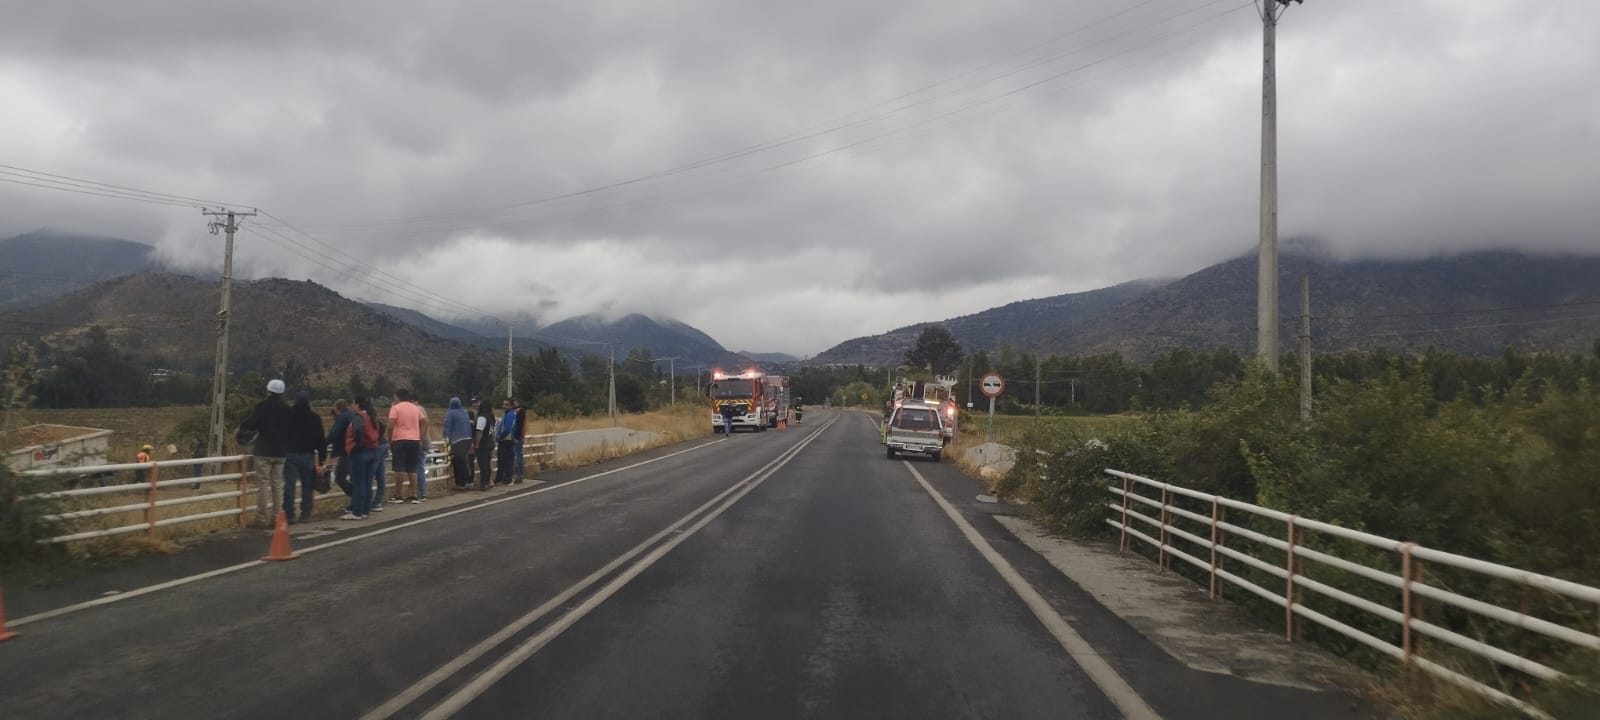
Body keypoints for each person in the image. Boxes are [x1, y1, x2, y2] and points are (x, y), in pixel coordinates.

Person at [238, 379, 293, 528]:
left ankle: (261, 518)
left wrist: (242, 426)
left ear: (268, 391)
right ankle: (278, 518)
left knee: (263, 484)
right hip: (281, 452)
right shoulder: (287, 409)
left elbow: (251, 423)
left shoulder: (262, 406)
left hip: (263, 450)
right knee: (277, 485)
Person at [283, 391, 326, 524]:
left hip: (290, 454)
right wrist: (322, 459)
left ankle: (289, 513)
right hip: (308, 455)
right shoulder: (315, 418)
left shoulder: (288, 415)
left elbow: (281, 434)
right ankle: (306, 513)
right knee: (307, 485)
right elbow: (320, 440)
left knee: (289, 484)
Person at [341, 396, 382, 520]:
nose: (352, 406)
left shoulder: (358, 417)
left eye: (353, 403)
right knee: (368, 483)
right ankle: (365, 510)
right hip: (373, 451)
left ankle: (357, 511)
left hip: (360, 453)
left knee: (359, 483)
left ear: (358, 405)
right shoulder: (372, 416)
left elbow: (358, 430)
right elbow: (382, 427)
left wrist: (358, 445)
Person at [387, 388, 428, 504]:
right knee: (412, 468)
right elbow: (425, 422)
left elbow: (390, 426)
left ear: (398, 397)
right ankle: (414, 495)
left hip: (399, 439)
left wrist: (390, 440)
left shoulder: (395, 408)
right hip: (414, 440)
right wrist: (420, 436)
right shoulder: (415, 408)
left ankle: (398, 495)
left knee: (399, 467)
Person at [443, 397, 473, 490]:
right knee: (464, 461)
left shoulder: (450, 413)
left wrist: (446, 437)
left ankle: (460, 483)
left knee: (458, 463)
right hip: (468, 439)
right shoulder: (464, 412)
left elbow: (447, 426)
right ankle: (468, 481)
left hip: (457, 440)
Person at [326, 400, 354, 497]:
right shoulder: (352, 415)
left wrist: (323, 444)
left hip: (346, 452)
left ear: (337, 408)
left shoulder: (343, 417)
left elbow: (334, 434)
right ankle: (358, 501)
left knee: (340, 477)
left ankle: (356, 498)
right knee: (354, 477)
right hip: (354, 450)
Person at [473, 399, 495, 491]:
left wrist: (477, 444)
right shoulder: (491, 417)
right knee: (487, 462)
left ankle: (483, 483)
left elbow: (479, 431)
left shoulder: (482, 417)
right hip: (490, 441)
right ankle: (487, 482)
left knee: (483, 464)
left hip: (483, 442)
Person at [495, 398, 517, 485]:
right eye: (503, 404)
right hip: (509, 439)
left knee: (503, 460)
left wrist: (500, 437)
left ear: (511, 406)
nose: (504, 406)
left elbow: (507, 429)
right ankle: (507, 478)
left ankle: (503, 478)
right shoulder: (509, 414)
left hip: (506, 440)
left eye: (507, 404)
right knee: (508, 460)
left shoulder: (510, 415)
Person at [512, 397, 528, 483]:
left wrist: (516, 437)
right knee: (518, 455)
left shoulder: (520, 411)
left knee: (517, 455)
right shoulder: (521, 411)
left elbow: (518, 425)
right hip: (519, 436)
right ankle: (519, 474)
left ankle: (519, 474)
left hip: (517, 436)